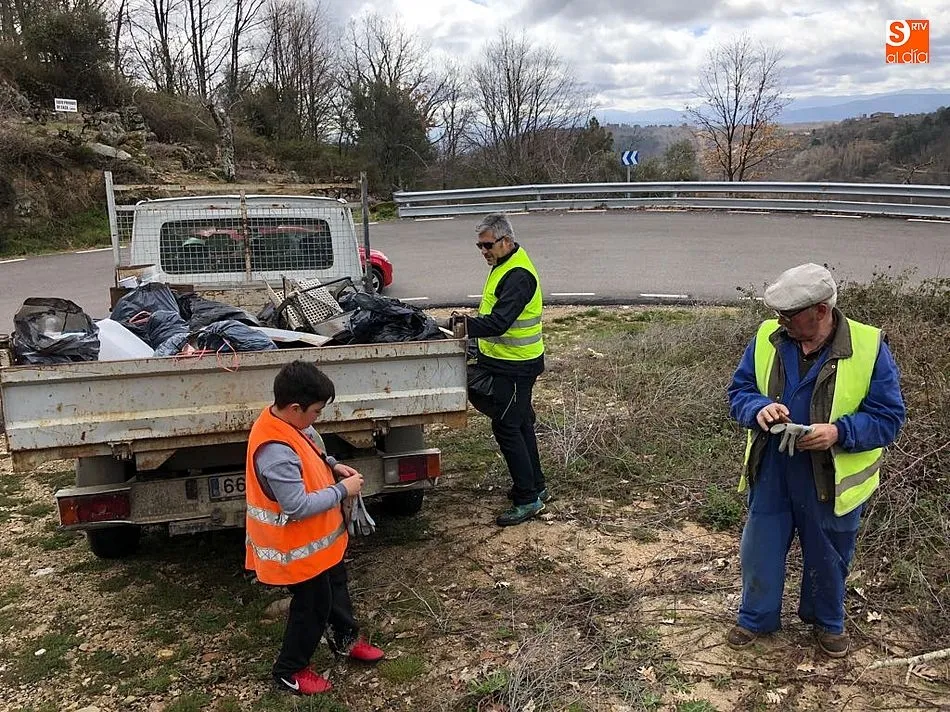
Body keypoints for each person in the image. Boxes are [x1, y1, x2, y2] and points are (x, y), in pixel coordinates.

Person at [726, 263, 905, 658]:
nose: (781, 322)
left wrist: (838, 433)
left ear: (821, 311)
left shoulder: (869, 346)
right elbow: (738, 391)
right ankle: (755, 617)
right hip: (772, 468)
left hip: (830, 477)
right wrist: (757, 408)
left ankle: (827, 622)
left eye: (790, 316)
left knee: (829, 553)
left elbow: (889, 419)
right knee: (760, 549)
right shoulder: (767, 338)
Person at [245, 360, 385, 696]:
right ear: (295, 407)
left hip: (321, 542)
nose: (318, 418)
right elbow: (297, 506)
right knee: (313, 604)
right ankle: (289, 670)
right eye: (317, 411)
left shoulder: (290, 424)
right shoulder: (275, 451)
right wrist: (342, 491)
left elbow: (312, 449)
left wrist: (334, 466)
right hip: (294, 549)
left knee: (336, 586)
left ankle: (345, 639)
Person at [443, 213, 548, 527]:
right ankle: (536, 487)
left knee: (507, 427)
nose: (483, 251)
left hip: (516, 366)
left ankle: (528, 499)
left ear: (506, 240)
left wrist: (462, 325)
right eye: (480, 245)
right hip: (505, 361)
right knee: (521, 423)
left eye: (488, 245)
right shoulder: (503, 265)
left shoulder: (518, 275)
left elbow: (500, 322)